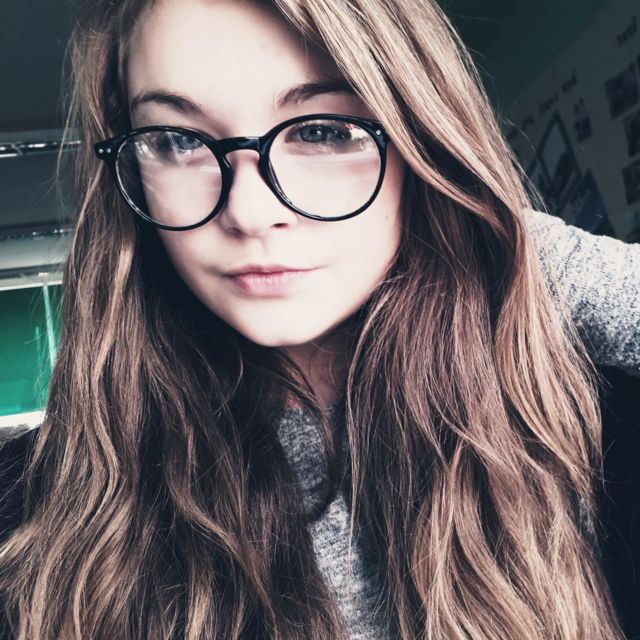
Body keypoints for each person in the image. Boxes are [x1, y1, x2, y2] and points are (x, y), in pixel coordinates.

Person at [0, 0, 639, 638]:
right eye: (178, 141)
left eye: (323, 131)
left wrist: (512, 251)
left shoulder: (570, 408)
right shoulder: (40, 511)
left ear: (422, 142)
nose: (250, 213)